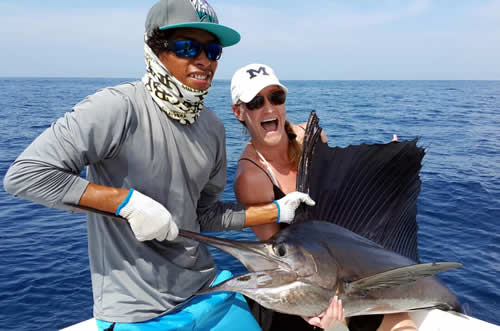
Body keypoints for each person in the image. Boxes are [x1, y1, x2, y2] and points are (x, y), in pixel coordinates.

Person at [2, 2, 315, 330]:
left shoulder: (212, 128)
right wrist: (126, 204)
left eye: (213, 51)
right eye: (187, 47)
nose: (204, 61)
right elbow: (27, 174)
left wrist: (277, 211)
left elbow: (205, 215)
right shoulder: (118, 108)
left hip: (209, 290)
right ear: (155, 49)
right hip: (140, 313)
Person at [230, 63, 417, 331]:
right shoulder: (252, 178)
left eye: (276, 97)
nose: (269, 108)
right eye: (256, 102)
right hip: (300, 288)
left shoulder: (310, 137)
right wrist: (305, 305)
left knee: (403, 322)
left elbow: (338, 196)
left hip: (343, 268)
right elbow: (277, 258)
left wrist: (384, 169)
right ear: (239, 112)